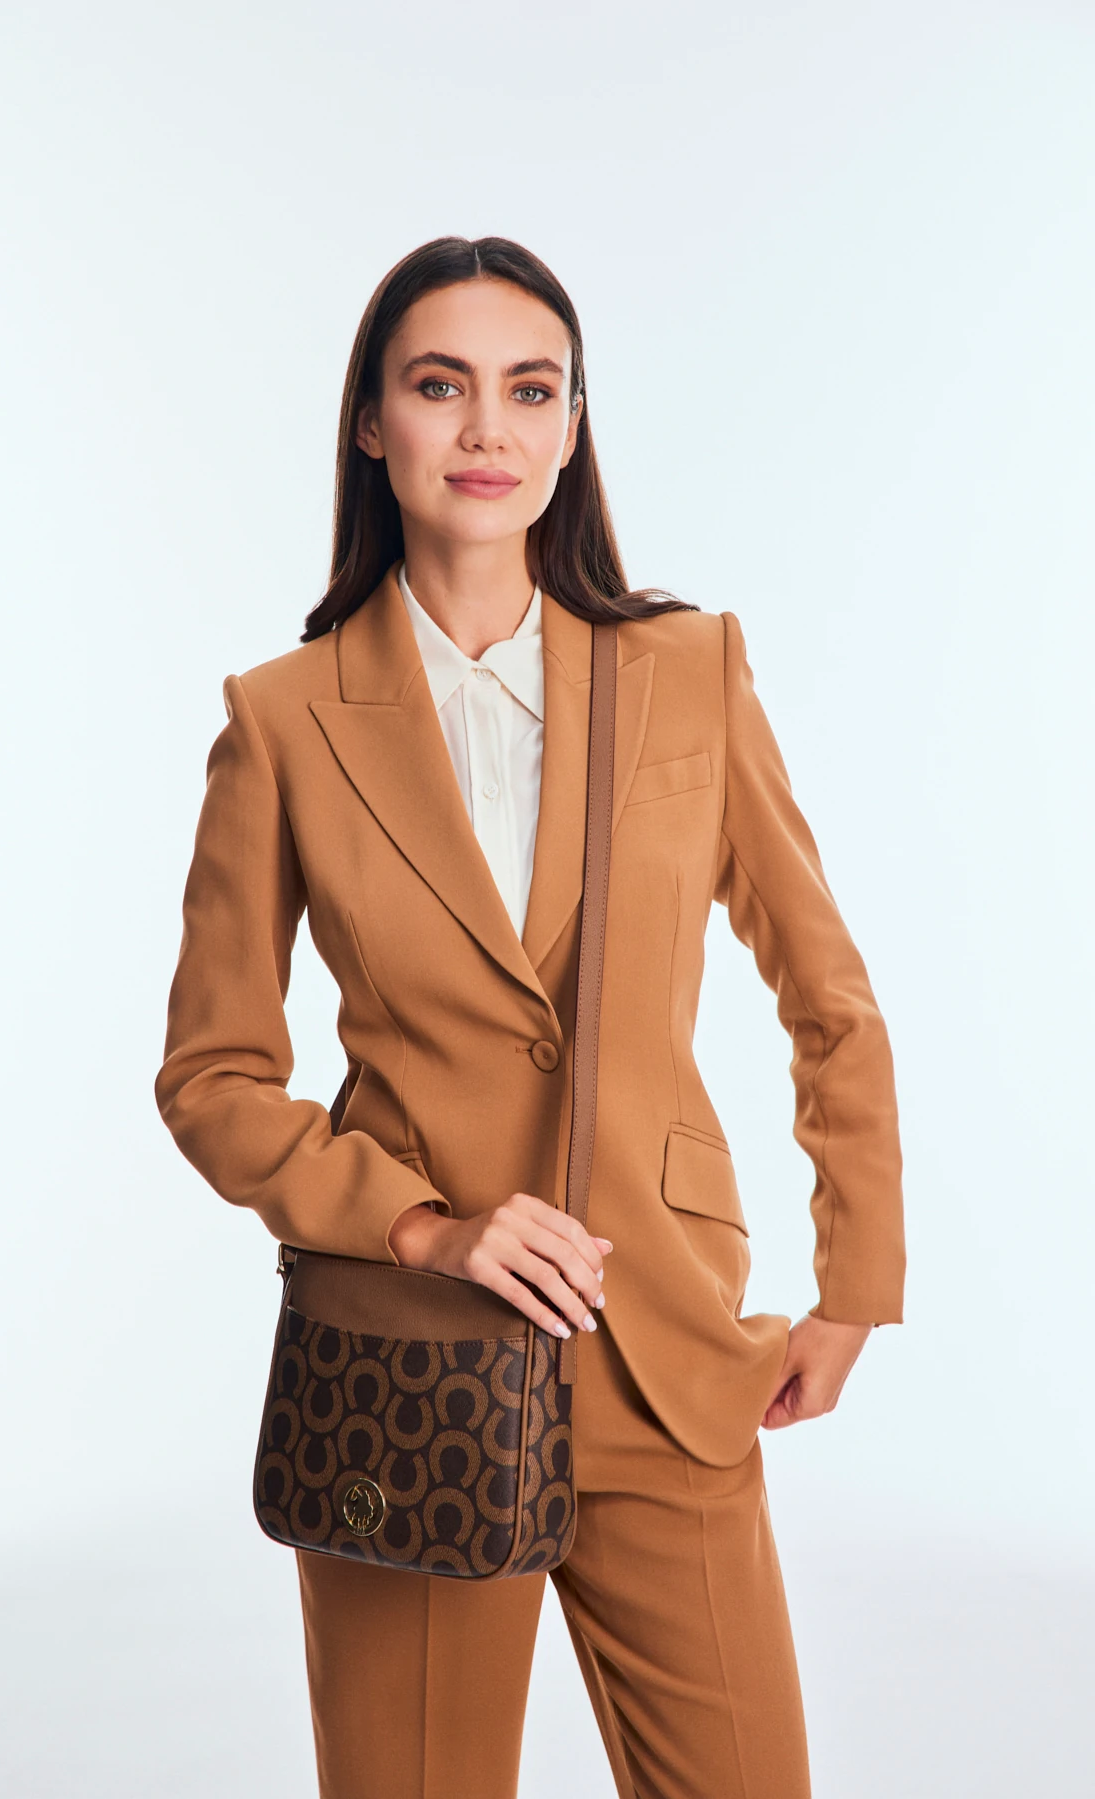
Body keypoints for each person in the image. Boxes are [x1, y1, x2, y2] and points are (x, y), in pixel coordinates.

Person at [155, 235, 905, 1799]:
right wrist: (424, 1227)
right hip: (408, 1372)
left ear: (572, 426)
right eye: (442, 386)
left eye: (530, 388)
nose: (488, 427)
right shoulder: (281, 721)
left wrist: (859, 1283)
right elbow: (215, 1076)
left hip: (666, 1349)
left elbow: (826, 993)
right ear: (374, 422)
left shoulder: (689, 671)